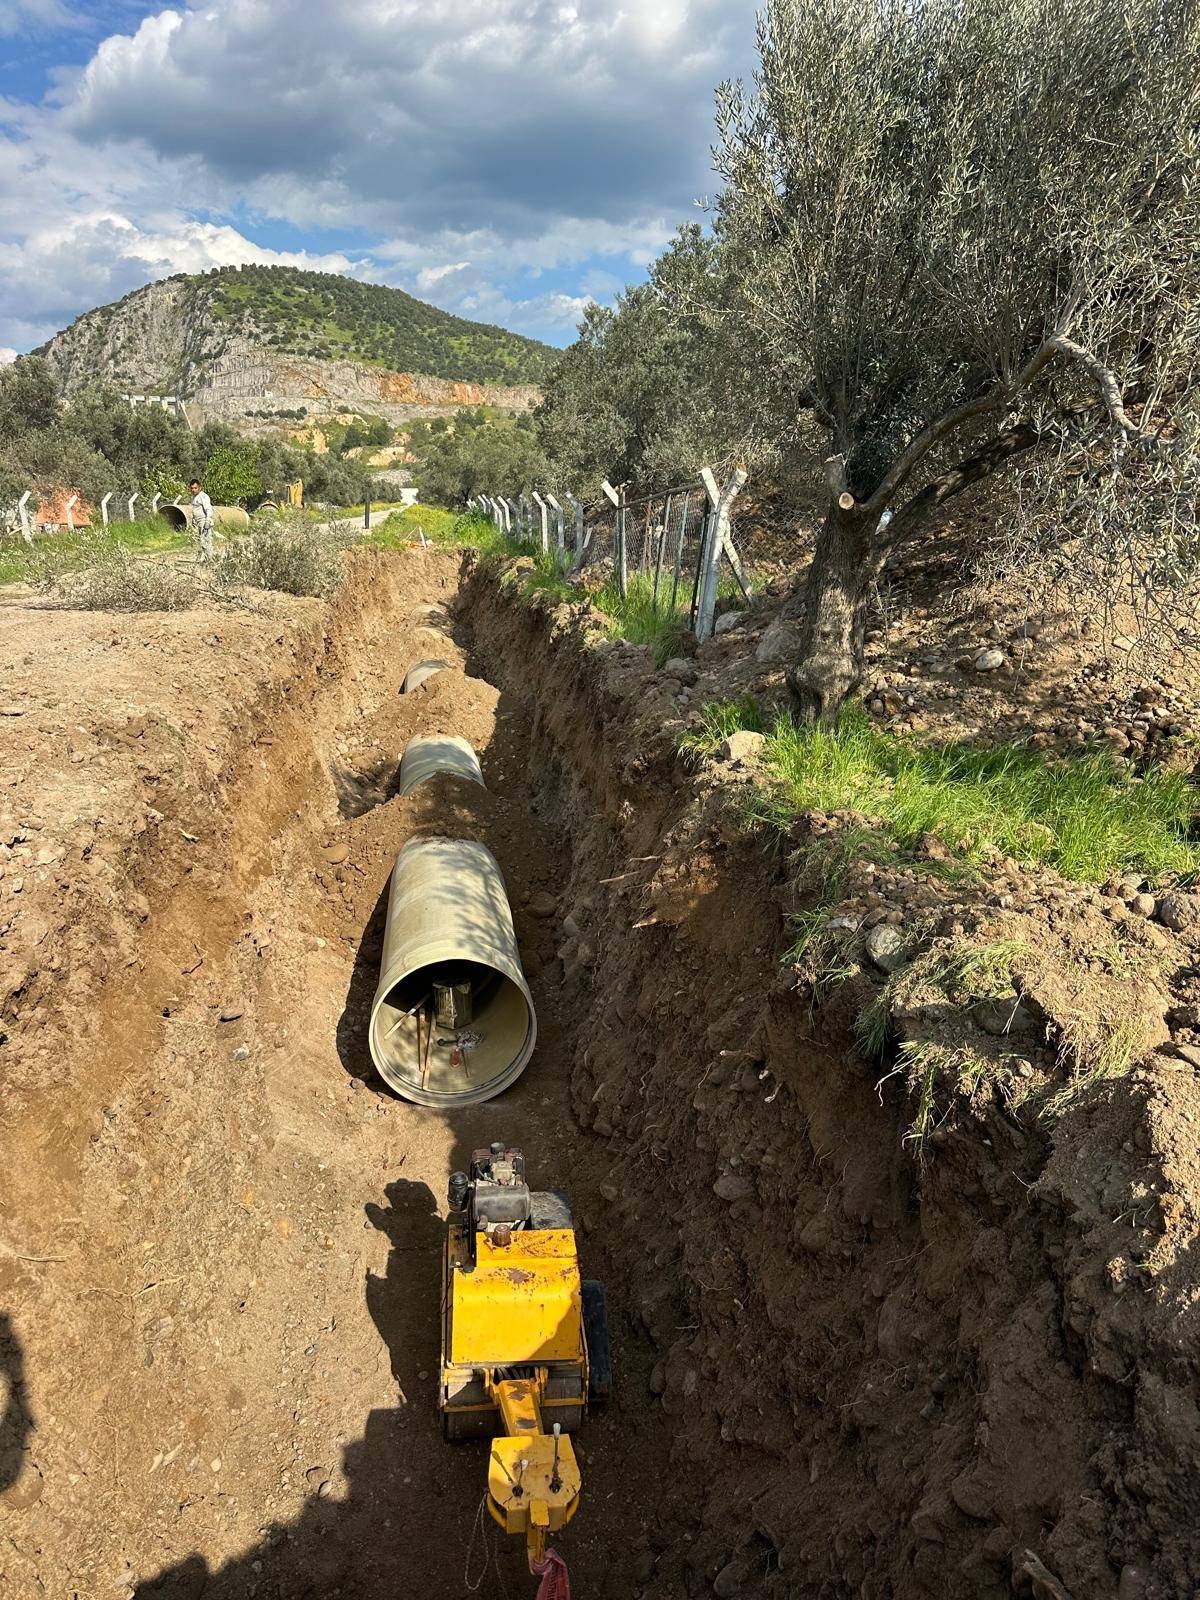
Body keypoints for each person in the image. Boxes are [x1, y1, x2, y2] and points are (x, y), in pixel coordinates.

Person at [189, 478, 215, 559]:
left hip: (204, 521)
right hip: (198, 522)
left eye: (195, 488)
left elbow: (208, 509)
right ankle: (204, 558)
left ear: (199, 487)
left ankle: (210, 559)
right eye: (192, 488)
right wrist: (193, 520)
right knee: (201, 541)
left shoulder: (203, 496)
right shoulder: (194, 497)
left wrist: (207, 521)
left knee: (206, 541)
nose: (193, 490)